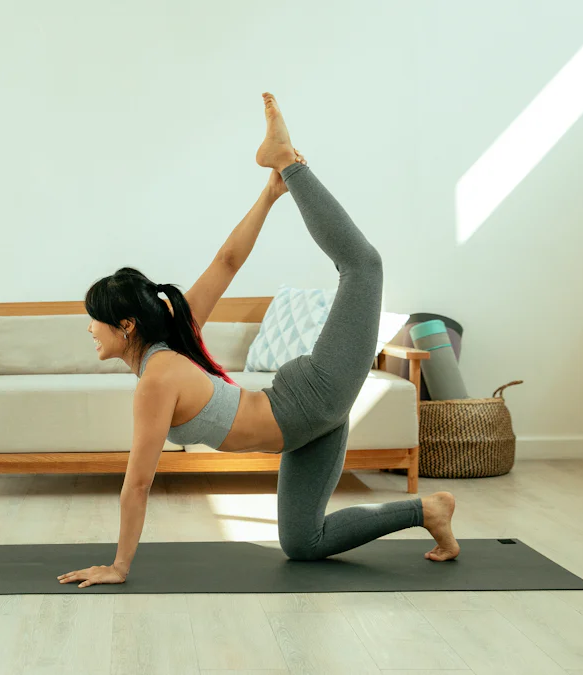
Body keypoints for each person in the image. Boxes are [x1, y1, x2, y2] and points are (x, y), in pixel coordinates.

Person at [59, 93, 458, 589]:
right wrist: (266, 198)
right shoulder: (174, 339)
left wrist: (120, 566)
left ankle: (288, 159)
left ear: (127, 326)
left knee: (362, 266)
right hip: (305, 429)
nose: (88, 329)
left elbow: (136, 484)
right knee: (303, 543)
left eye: (93, 320)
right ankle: (429, 509)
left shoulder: (158, 377)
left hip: (313, 396)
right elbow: (227, 260)